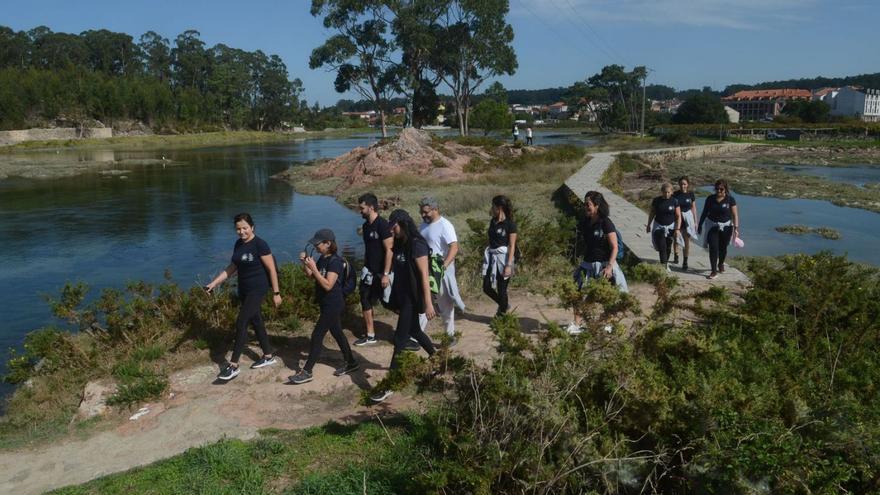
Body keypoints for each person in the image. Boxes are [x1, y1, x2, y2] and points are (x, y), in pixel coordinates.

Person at [370, 210, 436, 403]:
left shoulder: (417, 244)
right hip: (403, 297)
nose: (392, 230)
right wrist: (395, 301)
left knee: (399, 339)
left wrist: (429, 303)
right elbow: (398, 274)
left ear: (404, 224)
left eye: (395, 226)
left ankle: (390, 384)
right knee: (415, 330)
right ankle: (437, 357)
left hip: (414, 298)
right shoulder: (400, 244)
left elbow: (424, 276)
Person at [205, 213, 281, 381]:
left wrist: (276, 293)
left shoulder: (260, 244)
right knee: (256, 321)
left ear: (252, 227)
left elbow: (271, 270)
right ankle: (268, 356)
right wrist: (214, 283)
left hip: (258, 289)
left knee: (241, 322)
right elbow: (232, 267)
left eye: (245, 228)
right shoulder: (238, 244)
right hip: (244, 290)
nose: (241, 232)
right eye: (238, 229)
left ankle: (233, 366)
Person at [289, 229, 359, 384]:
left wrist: (314, 268)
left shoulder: (335, 262)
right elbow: (312, 276)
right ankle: (351, 362)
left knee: (317, 335)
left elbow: (328, 285)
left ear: (328, 243)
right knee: (338, 333)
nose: (315, 247)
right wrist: (306, 263)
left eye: (318, 244)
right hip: (326, 303)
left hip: (333, 304)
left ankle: (307, 371)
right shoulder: (323, 258)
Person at [568, 191, 628, 335]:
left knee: (608, 296)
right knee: (577, 293)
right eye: (585, 204)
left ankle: (608, 324)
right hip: (587, 264)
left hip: (604, 265)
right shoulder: (585, 222)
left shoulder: (605, 223)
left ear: (597, 206)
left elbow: (615, 247)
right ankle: (577, 325)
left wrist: (609, 267)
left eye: (588, 204)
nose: (586, 207)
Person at [418, 197, 466, 346]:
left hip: (442, 269)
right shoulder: (423, 226)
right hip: (427, 268)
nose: (423, 215)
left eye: (426, 212)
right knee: (425, 301)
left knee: (445, 304)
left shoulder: (445, 225)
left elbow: (454, 247)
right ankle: (416, 336)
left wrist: (444, 266)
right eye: (421, 212)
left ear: (435, 209)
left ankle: (449, 336)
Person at [354, 193, 393, 346]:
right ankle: (371, 335)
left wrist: (386, 274)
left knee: (390, 303)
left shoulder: (382, 225)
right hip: (368, 271)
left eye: (362, 208)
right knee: (364, 299)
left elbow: (390, 250)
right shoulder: (365, 226)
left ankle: (411, 329)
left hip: (382, 273)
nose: (360, 211)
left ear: (371, 207)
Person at [482, 195, 517, 317]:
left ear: (500, 208)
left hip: (504, 259)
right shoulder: (493, 221)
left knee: (502, 290)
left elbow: (512, 245)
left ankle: (501, 316)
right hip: (492, 258)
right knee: (486, 287)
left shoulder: (510, 224)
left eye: (493, 206)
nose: (492, 208)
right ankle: (504, 305)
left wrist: (509, 265)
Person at [698, 179, 740, 280]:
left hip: (726, 227)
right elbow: (704, 212)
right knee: (713, 248)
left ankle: (720, 264)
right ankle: (713, 271)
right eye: (717, 189)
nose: (719, 191)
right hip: (712, 226)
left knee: (723, 248)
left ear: (725, 189)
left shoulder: (730, 200)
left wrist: (736, 228)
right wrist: (699, 225)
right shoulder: (710, 199)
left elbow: (735, 215)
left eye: (721, 189)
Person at [646, 183, 682, 271]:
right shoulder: (656, 200)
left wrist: (677, 229)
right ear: (662, 192)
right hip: (659, 226)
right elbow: (652, 213)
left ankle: (665, 263)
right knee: (662, 246)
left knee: (668, 246)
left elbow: (678, 216)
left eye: (668, 192)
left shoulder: (674, 201)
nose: (666, 194)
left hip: (670, 227)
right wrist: (649, 224)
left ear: (671, 192)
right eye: (665, 192)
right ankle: (664, 265)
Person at [672, 176, 698, 270]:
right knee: (676, 238)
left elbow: (693, 208)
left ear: (687, 185)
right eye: (681, 184)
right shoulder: (675, 194)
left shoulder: (691, 194)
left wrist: (695, 221)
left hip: (688, 219)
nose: (683, 186)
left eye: (684, 184)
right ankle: (676, 255)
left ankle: (685, 261)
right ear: (679, 185)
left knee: (686, 240)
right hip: (677, 218)